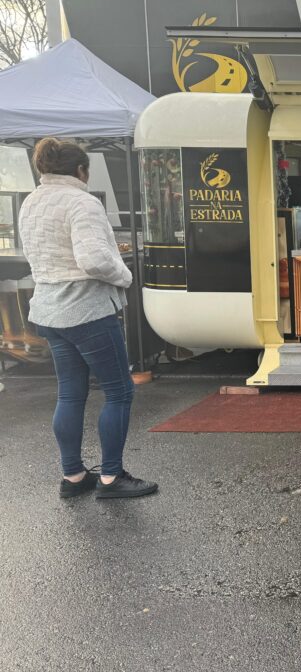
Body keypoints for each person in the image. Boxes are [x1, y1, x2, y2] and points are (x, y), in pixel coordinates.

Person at [18, 138, 157, 499]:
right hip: (87, 310)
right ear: (81, 170)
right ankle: (111, 477)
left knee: (70, 393)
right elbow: (94, 259)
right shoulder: (83, 202)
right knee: (119, 391)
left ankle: (74, 476)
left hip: (49, 309)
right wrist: (124, 276)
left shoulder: (31, 202)